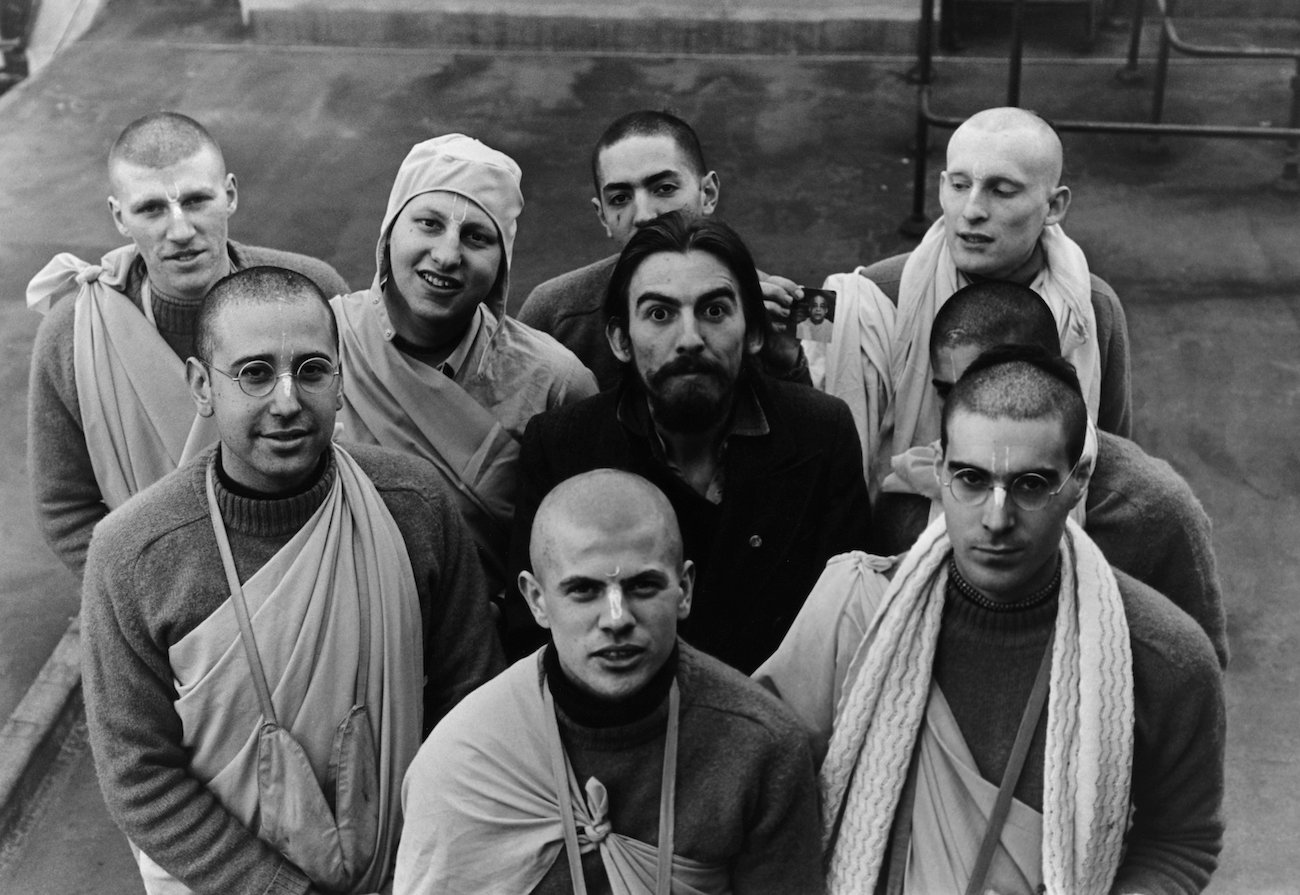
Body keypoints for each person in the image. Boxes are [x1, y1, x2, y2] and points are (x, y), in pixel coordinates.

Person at [81, 267, 503, 895]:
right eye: (253, 373)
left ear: (341, 379)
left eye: (311, 370)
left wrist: (422, 862)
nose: (287, 401)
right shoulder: (133, 552)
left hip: (413, 870)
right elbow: (138, 775)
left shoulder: (412, 504)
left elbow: (470, 702)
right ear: (201, 385)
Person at [757, 352, 1224, 895]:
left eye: (1030, 485)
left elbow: (1182, 840)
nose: (996, 519)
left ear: (1079, 481)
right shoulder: (858, 609)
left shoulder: (1161, 654)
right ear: (938, 470)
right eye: (972, 479)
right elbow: (764, 795)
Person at [396, 469, 824, 895]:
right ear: (537, 601)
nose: (617, 620)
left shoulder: (761, 744)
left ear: (685, 590)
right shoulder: (465, 758)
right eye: (583, 590)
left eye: (642, 586)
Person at [508, 213, 871, 672]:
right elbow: (532, 639)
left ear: (754, 332)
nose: (690, 339)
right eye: (660, 314)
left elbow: (852, 624)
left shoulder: (822, 434)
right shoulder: (563, 447)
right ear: (621, 339)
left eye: (714, 311)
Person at [26, 111, 349, 580]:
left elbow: (360, 440)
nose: (179, 230)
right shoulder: (74, 333)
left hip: (317, 571)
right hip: (160, 598)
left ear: (230, 195)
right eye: (151, 209)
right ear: (119, 216)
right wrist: (143, 594)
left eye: (197, 200)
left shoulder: (311, 290)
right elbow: (64, 507)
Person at [870, 281, 1228, 666]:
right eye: (946, 392)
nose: (964, 409)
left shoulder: (1150, 507)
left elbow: (1195, 667)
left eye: (994, 385)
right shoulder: (909, 491)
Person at [821, 106, 1132, 497]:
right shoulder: (871, 298)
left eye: (1002, 191)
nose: (971, 211)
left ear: (1053, 206)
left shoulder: (1094, 309)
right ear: (940, 187)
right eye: (959, 185)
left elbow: (1112, 459)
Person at [331, 133, 596, 588]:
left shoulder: (555, 382)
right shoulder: (323, 344)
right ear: (390, 231)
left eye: (476, 236)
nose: (448, 254)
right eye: (429, 224)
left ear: (502, 263)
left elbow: (586, 548)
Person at [516, 109, 808, 390]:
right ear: (602, 215)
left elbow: (821, 426)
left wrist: (786, 357)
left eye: (664, 188)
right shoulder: (556, 311)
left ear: (707, 194)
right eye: (620, 198)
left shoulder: (771, 303)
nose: (644, 215)